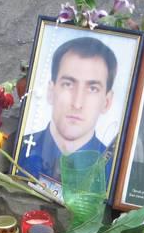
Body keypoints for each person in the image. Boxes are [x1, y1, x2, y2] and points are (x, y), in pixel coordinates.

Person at [17, 36, 118, 185]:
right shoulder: (20, 150)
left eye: (92, 88)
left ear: (106, 102)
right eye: (68, 84)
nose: (77, 104)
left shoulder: (114, 171)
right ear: (51, 92)